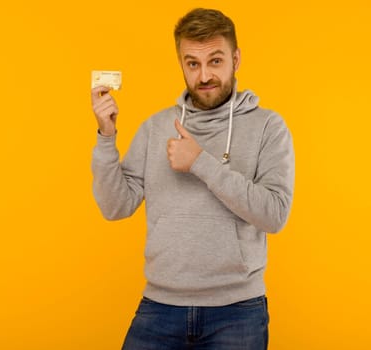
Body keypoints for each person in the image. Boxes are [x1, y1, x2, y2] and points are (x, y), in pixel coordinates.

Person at [90, 8, 294, 350]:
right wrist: (106, 135)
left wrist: (201, 162)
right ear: (181, 64)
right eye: (192, 63)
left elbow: (274, 215)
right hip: (160, 307)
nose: (204, 76)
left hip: (238, 310)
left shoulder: (268, 127)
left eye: (215, 61)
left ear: (236, 58)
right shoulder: (156, 128)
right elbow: (115, 207)